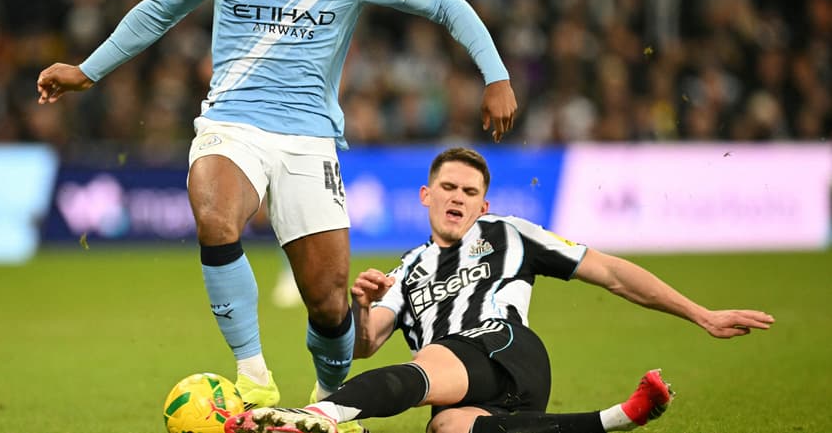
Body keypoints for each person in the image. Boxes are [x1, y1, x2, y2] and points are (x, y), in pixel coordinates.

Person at [34, 0, 518, 417]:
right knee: (214, 215)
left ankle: (328, 401)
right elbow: (160, 8)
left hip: (309, 140)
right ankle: (253, 373)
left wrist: (497, 75)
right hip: (231, 122)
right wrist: (87, 70)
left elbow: (447, 5)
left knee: (330, 304)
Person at [225, 147, 775, 433]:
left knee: (435, 359)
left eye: (470, 191)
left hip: (506, 346)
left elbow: (609, 272)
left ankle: (316, 416)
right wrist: (361, 305)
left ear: (484, 204)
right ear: (425, 195)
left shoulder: (508, 232)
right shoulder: (410, 267)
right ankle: (617, 418)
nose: (458, 198)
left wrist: (699, 313)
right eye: (448, 187)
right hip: (473, 394)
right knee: (447, 428)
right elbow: (366, 344)